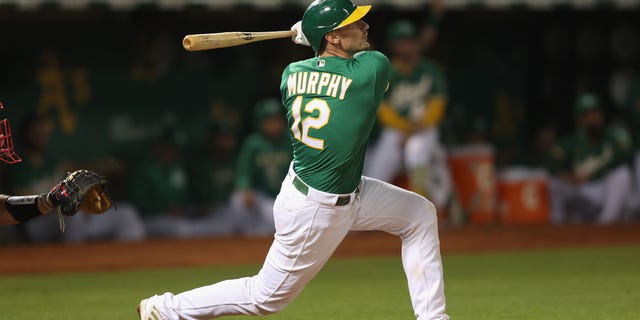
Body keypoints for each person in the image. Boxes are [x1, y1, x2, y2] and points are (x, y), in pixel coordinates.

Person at [137, 1, 449, 319]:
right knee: (264, 298)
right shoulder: (372, 69)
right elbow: (364, 65)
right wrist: (313, 37)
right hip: (317, 209)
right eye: (355, 23)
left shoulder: (291, 74)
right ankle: (165, 309)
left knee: (418, 215)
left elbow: (324, 72)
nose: (365, 26)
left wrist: (317, 41)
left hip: (335, 190)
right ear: (334, 38)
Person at [365, 18, 452, 211]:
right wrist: (404, 128)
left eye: (409, 40)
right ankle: (365, 211)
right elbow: (383, 110)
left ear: (416, 42)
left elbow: (438, 104)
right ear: (393, 45)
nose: (406, 46)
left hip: (424, 128)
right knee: (378, 166)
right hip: (397, 130)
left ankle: (421, 207)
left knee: (416, 149)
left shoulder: (429, 69)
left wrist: (418, 126)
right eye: (401, 41)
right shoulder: (387, 71)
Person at [546, 93, 633, 224]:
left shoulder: (615, 136)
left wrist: (592, 175)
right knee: (554, 181)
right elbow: (550, 162)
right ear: (580, 119)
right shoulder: (572, 141)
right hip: (581, 191)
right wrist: (567, 176)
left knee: (623, 174)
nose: (593, 118)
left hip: (603, 188)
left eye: (596, 112)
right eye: (587, 114)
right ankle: (557, 223)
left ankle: (607, 222)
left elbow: (626, 154)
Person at [231, 98, 292, 236]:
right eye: (269, 121)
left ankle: (262, 233)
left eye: (277, 120)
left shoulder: (291, 140)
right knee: (238, 198)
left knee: (282, 224)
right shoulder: (253, 143)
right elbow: (243, 173)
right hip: (263, 197)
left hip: (287, 199)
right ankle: (249, 236)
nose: (274, 125)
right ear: (260, 122)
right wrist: (246, 188)